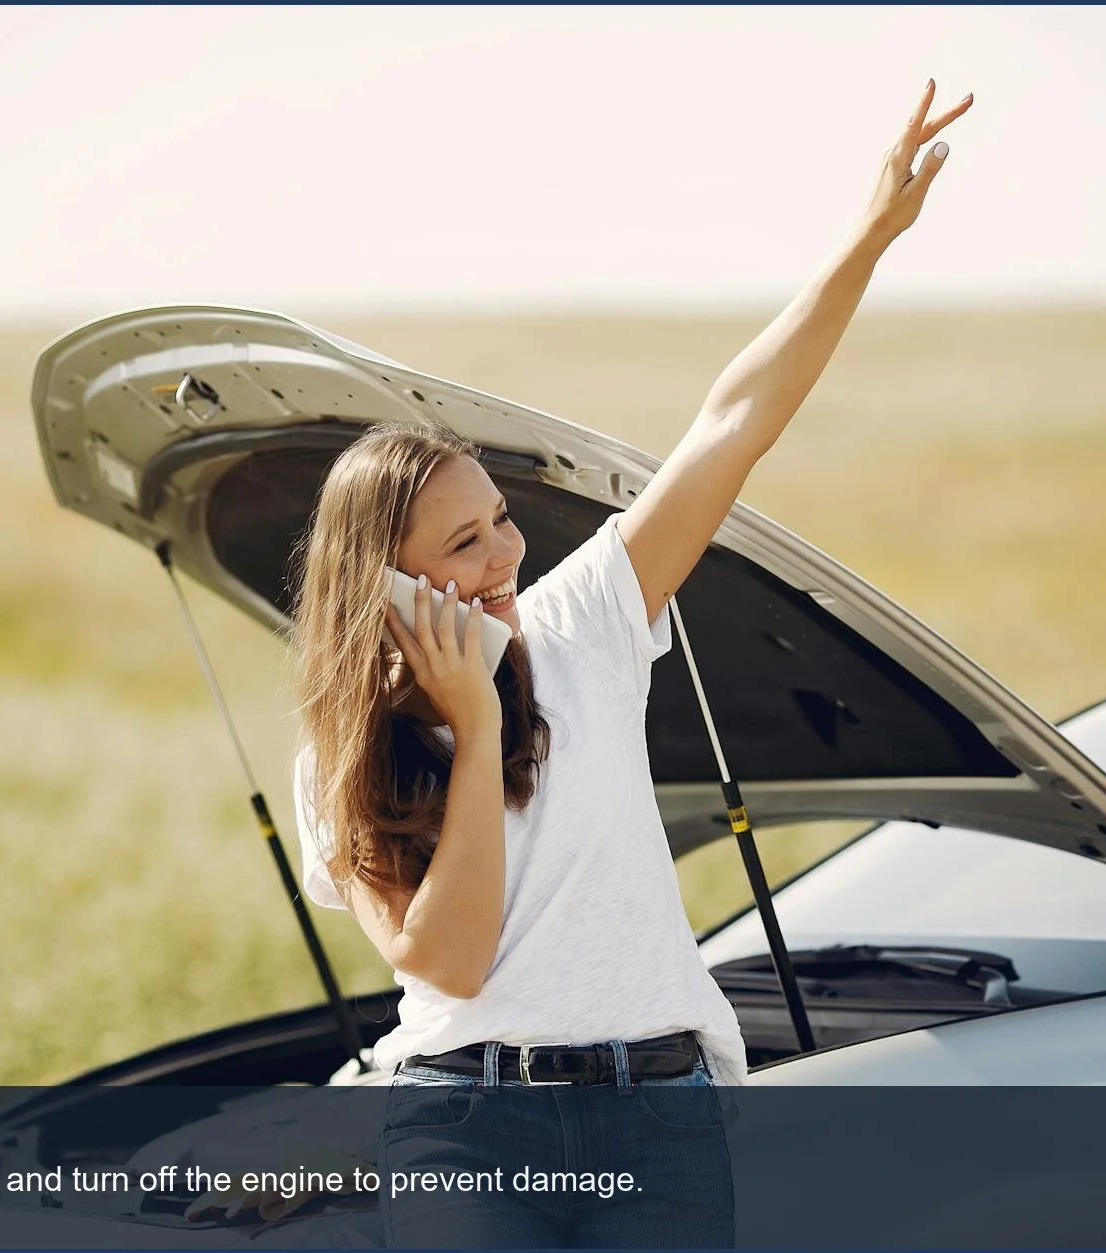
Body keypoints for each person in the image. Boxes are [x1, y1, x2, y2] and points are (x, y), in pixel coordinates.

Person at [288, 80, 972, 1249]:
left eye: (501, 518)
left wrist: (867, 236)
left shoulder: (581, 624)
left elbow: (731, 421)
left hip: (657, 1114)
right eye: (462, 543)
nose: (506, 553)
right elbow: (445, 960)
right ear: (384, 581)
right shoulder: (340, 753)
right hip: (462, 1121)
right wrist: (475, 724)